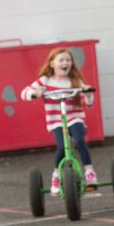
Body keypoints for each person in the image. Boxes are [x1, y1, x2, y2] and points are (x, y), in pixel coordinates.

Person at [21, 47, 96, 196]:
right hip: (56, 120)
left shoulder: (75, 81)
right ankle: (56, 175)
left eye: (68, 60)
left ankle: (89, 171)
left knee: (79, 141)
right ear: (52, 64)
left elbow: (89, 103)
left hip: (75, 118)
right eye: (61, 60)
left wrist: (87, 94)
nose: (65, 63)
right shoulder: (45, 81)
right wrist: (34, 93)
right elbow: (24, 93)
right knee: (62, 147)